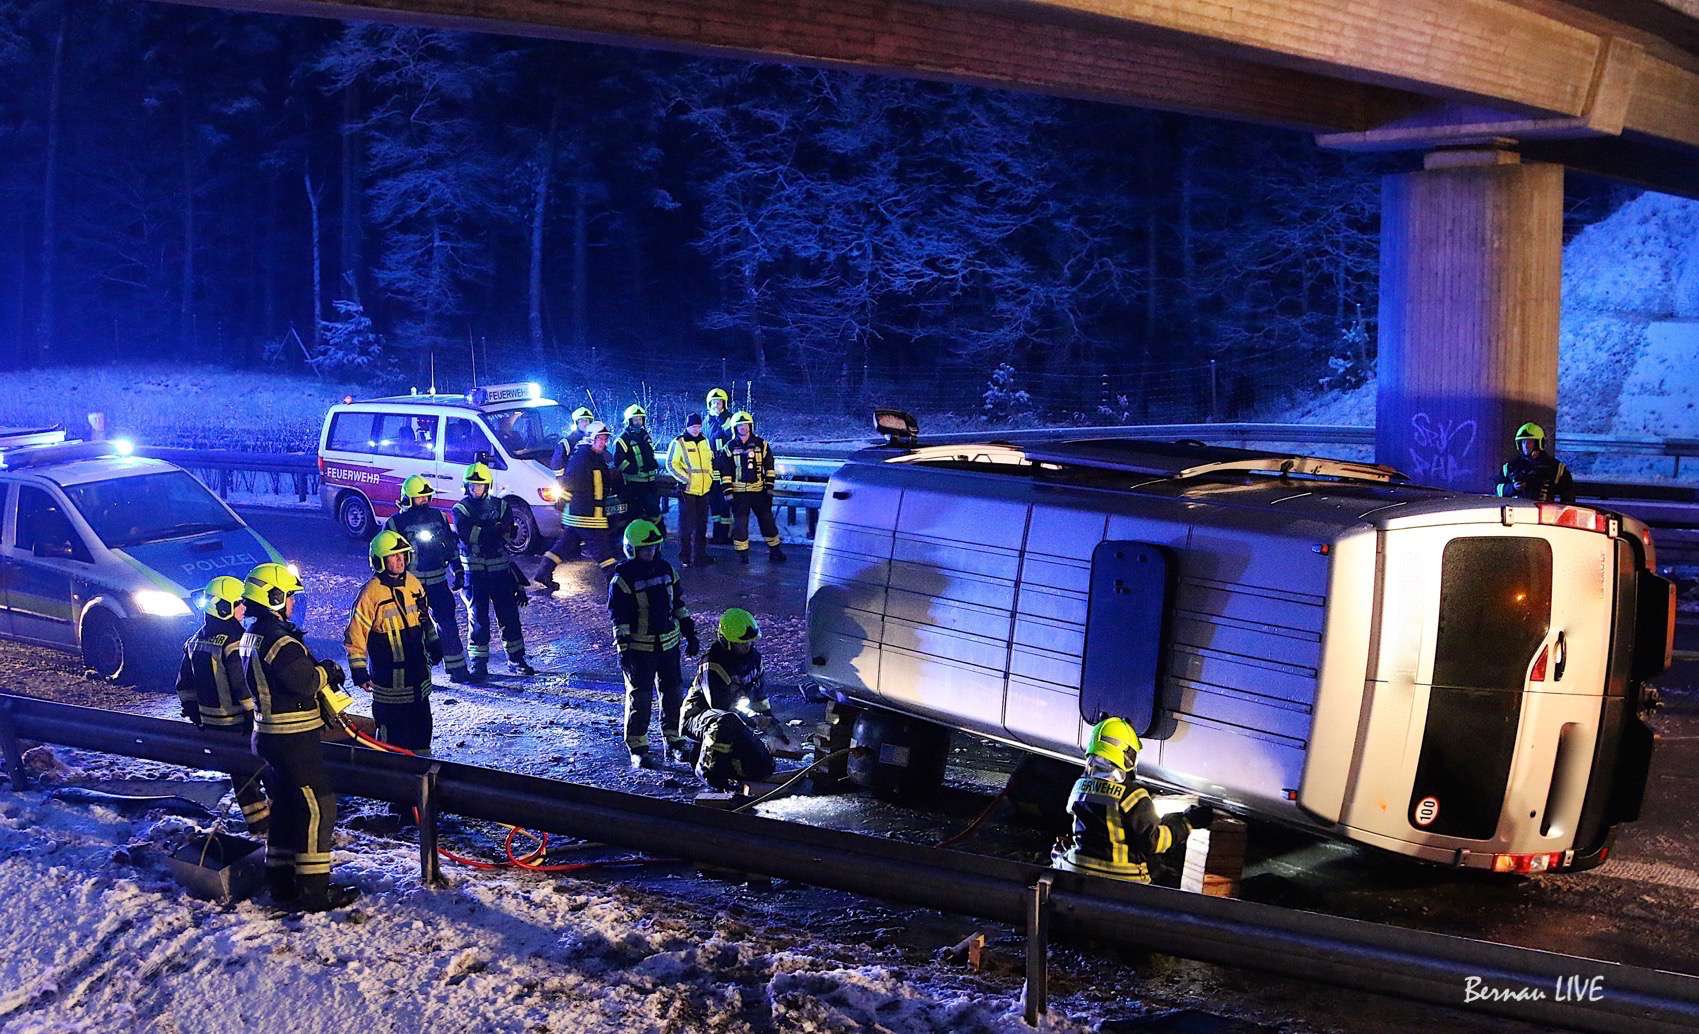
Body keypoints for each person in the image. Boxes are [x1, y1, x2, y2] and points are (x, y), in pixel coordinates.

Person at [239, 562, 360, 912]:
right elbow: (305, 682)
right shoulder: (279, 640)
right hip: (293, 740)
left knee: (288, 808)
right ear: (274, 597)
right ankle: (314, 892)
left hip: (269, 736)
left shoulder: (252, 635)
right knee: (317, 808)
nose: (293, 602)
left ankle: (280, 880)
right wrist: (329, 670)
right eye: (289, 596)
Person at [1051, 716, 1211, 884]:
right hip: (1124, 882)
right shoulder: (1133, 794)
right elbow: (1153, 842)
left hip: (1077, 873)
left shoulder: (1079, 786)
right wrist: (1186, 823)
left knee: (1059, 856)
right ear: (1128, 754)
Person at [173, 575, 269, 836]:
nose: (244, 608)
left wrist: (194, 712)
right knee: (262, 770)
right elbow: (242, 684)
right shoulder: (234, 642)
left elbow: (183, 685)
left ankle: (258, 824)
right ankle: (271, 825)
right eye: (239, 603)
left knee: (241, 778)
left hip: (213, 727)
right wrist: (254, 715)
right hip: (239, 723)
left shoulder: (194, 642)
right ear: (224, 607)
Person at [608, 519, 699, 769]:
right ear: (632, 550)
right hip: (640, 650)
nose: (650, 553)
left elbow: (678, 604)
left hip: (668, 646)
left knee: (673, 695)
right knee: (641, 699)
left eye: (653, 548)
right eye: (645, 549)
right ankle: (638, 748)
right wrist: (623, 650)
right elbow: (620, 618)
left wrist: (690, 633)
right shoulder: (622, 578)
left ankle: (674, 741)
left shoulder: (667, 570)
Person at [346, 531, 442, 754]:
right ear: (380, 561)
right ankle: (393, 783)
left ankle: (422, 780)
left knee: (422, 736)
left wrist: (434, 642)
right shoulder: (370, 594)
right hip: (389, 685)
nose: (400, 560)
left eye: (402, 555)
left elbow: (424, 618)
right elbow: (356, 634)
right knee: (393, 743)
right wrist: (358, 669)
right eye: (393, 556)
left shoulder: (413, 584)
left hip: (418, 681)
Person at [452, 462, 535, 681]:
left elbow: (508, 534)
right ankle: (479, 664)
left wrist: (489, 532)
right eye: (472, 485)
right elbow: (468, 534)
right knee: (478, 619)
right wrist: (493, 531)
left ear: (487, 486)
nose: (476, 489)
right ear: (466, 486)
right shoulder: (460, 509)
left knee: (509, 616)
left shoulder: (501, 506)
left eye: (480, 485)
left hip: (500, 573)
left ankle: (516, 659)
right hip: (475, 575)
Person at [382, 475, 470, 684]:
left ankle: (457, 669)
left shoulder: (438, 516)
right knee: (414, 630)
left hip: (438, 581)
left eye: (426, 497)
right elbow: (386, 556)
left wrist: (457, 569)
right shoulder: (395, 523)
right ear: (409, 498)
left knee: (447, 623)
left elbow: (448, 544)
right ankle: (420, 674)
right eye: (419, 498)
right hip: (411, 585)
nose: (424, 501)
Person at [680, 608, 776, 791]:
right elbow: (719, 707)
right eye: (742, 643)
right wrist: (754, 721)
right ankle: (706, 770)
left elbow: (761, 698)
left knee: (764, 767)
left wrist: (771, 722)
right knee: (726, 723)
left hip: (736, 720)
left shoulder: (754, 660)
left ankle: (719, 760)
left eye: (749, 642)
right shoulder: (713, 664)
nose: (747, 646)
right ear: (727, 642)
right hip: (699, 717)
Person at [717, 411, 786, 565]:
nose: (743, 428)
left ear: (751, 426)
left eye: (746, 424)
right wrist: (728, 492)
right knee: (740, 525)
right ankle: (742, 555)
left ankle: (775, 550)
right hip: (739, 493)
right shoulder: (729, 447)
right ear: (735, 427)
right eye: (740, 425)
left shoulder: (762, 444)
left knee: (767, 521)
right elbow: (725, 471)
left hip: (758, 491)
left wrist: (769, 488)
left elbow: (769, 468)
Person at [560, 421, 624, 581]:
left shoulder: (594, 456)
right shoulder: (583, 457)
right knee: (601, 549)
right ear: (591, 439)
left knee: (562, 546)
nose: (604, 442)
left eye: (604, 439)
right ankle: (614, 578)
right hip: (586, 514)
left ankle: (543, 572)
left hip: (586, 513)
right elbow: (571, 483)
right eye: (600, 439)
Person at [666, 412, 716, 568]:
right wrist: (685, 479)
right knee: (686, 525)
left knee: (702, 525)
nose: (696, 429)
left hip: (704, 489)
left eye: (698, 426)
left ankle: (700, 555)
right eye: (693, 426)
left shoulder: (704, 441)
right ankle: (685, 556)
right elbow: (671, 464)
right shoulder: (679, 442)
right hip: (687, 490)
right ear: (687, 426)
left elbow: (709, 463)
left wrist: (710, 479)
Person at [1495, 421, 1576, 503]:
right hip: (1517, 512)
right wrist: (1513, 488)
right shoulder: (1510, 467)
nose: (1526, 445)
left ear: (1539, 443)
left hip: (1544, 513)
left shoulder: (1556, 468)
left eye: (1530, 442)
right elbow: (1497, 490)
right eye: (1523, 442)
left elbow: (1568, 496)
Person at [615, 403, 663, 532]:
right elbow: (619, 462)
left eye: (640, 419)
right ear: (629, 421)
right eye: (635, 419)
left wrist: (653, 465)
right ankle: (649, 535)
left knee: (653, 511)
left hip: (650, 483)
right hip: (634, 485)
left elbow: (649, 456)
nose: (638, 422)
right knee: (641, 512)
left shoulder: (646, 437)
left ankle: (653, 536)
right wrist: (634, 469)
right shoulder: (623, 439)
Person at [703, 388, 734, 545]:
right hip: (711, 467)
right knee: (714, 502)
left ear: (724, 404)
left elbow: (732, 440)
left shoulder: (729, 419)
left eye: (719, 402)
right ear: (709, 404)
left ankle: (725, 535)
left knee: (724, 503)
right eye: (714, 402)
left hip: (725, 467)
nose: (717, 405)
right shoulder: (706, 421)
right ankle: (716, 534)